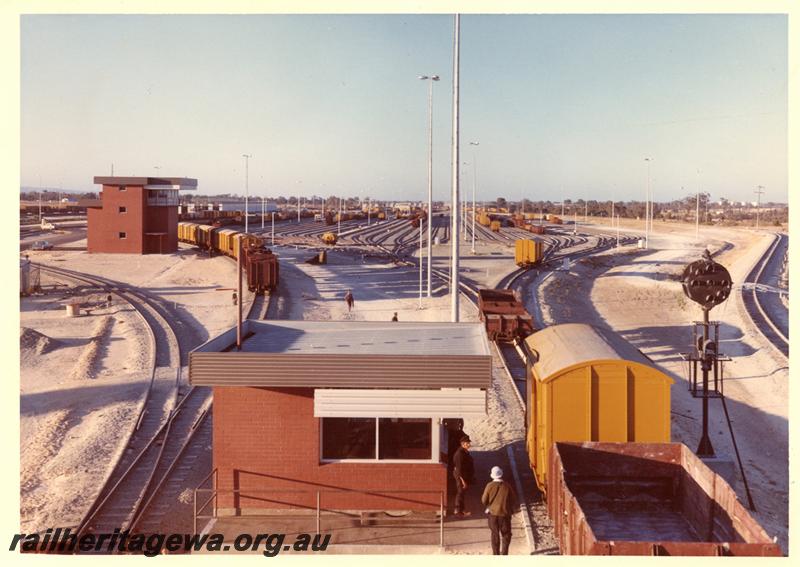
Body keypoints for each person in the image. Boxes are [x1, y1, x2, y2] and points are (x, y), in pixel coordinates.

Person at [481, 466, 517, 555]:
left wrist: (490, 506)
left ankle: (496, 555)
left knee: (495, 535)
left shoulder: (489, 485)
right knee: (506, 535)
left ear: (492, 476)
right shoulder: (507, 486)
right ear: (501, 474)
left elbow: (483, 500)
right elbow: (513, 499)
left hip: (493, 515)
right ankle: (504, 554)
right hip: (504, 515)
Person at [452, 435, 474, 516]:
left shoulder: (464, 452)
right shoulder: (460, 454)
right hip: (460, 477)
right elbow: (459, 470)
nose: (469, 444)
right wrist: (463, 481)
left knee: (462, 493)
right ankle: (457, 511)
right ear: (463, 444)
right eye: (468, 443)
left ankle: (462, 510)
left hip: (464, 476)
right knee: (460, 492)